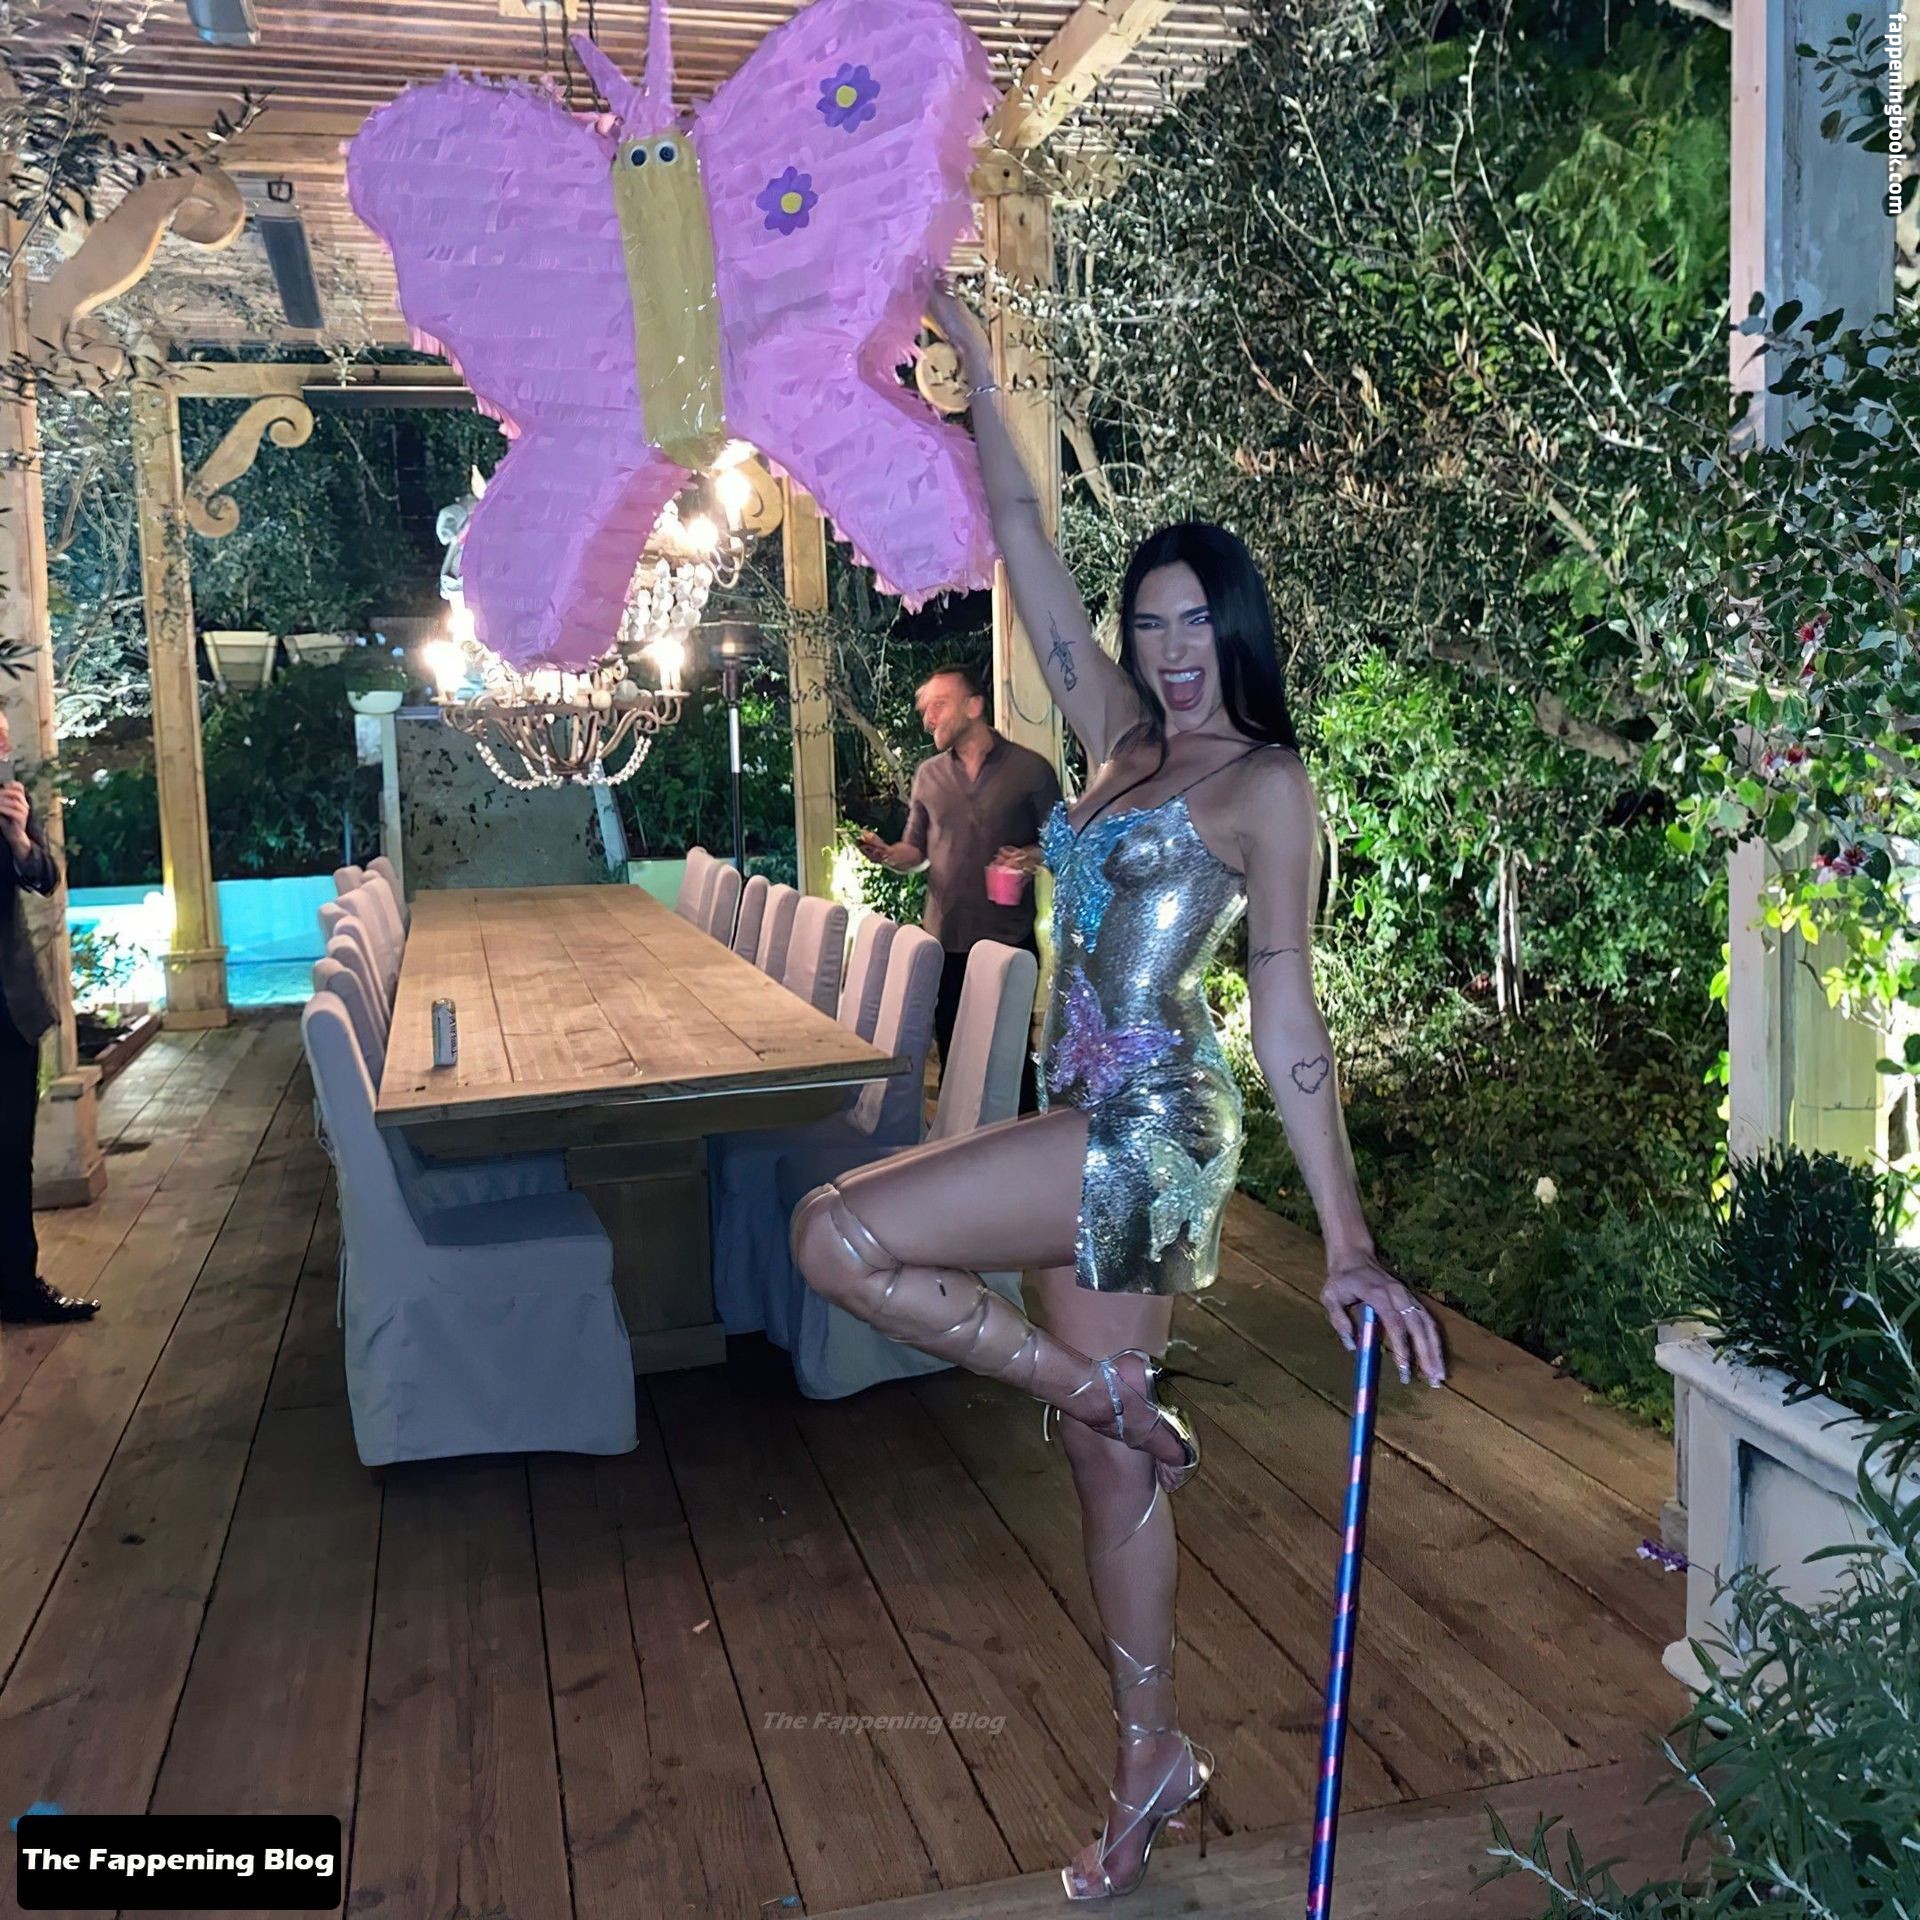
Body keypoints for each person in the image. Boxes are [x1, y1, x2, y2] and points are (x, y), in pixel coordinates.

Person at [792, 286, 1446, 1904]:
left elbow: (1286, 1009)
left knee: (836, 1238)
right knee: (1110, 1474)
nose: (1166, 649)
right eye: (1147, 624)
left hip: (1153, 1129)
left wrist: (1347, 1240)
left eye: (1191, 624)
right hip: (1080, 1113)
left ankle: (1094, 1391)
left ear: (1237, 629)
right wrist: (976, 379)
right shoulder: (1111, 738)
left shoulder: (1266, 784)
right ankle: (1149, 1753)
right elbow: (1022, 537)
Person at [857, 661, 1060, 1113]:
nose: (928, 718)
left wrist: (1030, 856)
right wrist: (888, 854)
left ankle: (1026, 1144)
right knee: (955, 1061)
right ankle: (964, 1148)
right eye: (925, 710)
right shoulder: (928, 775)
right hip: (945, 942)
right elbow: (916, 852)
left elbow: (1063, 844)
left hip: (1010, 943)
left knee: (1014, 1063)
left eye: (938, 706)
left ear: (973, 706)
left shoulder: (1031, 770)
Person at [0, 711, 97, 1324]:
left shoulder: (9, 801)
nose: (4, 747)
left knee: (12, 1154)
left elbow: (45, 877)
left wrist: (20, 841)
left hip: (9, 1007)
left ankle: (18, 1288)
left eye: (5, 737)